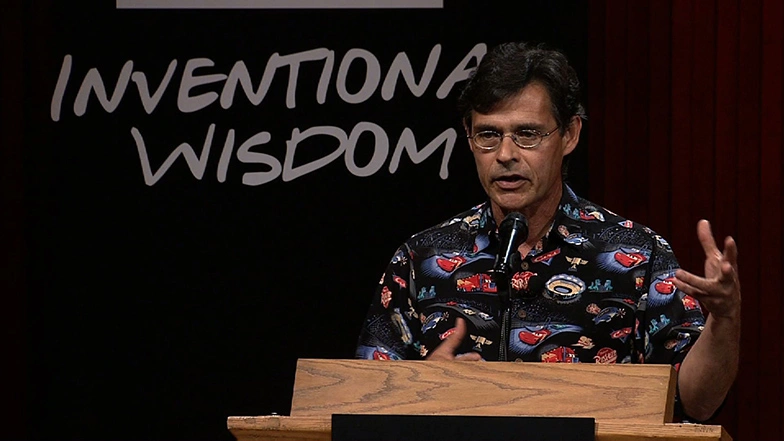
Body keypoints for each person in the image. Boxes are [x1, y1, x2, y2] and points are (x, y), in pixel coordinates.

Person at [354, 41, 740, 422]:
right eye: (488, 135)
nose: (505, 154)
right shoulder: (422, 259)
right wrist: (417, 390)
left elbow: (696, 402)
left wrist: (724, 319)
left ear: (569, 135)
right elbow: (361, 406)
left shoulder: (637, 255)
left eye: (527, 134)